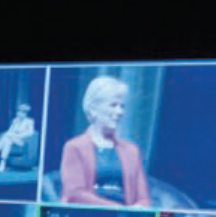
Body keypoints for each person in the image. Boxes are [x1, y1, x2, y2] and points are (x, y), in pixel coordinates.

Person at [59, 75, 150, 207]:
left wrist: (136, 208)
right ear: (93, 109)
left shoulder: (132, 151)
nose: (119, 112)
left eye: (122, 106)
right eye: (113, 105)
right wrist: (117, 208)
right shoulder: (74, 147)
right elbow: (75, 194)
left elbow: (144, 199)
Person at [0, 102, 36, 170]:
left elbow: (30, 132)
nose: (20, 114)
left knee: (8, 136)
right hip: (12, 139)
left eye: (22, 113)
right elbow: (10, 131)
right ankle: (2, 163)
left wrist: (18, 135)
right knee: (7, 140)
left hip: (22, 141)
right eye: (19, 112)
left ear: (26, 114)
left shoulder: (29, 121)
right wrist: (12, 133)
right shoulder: (15, 121)